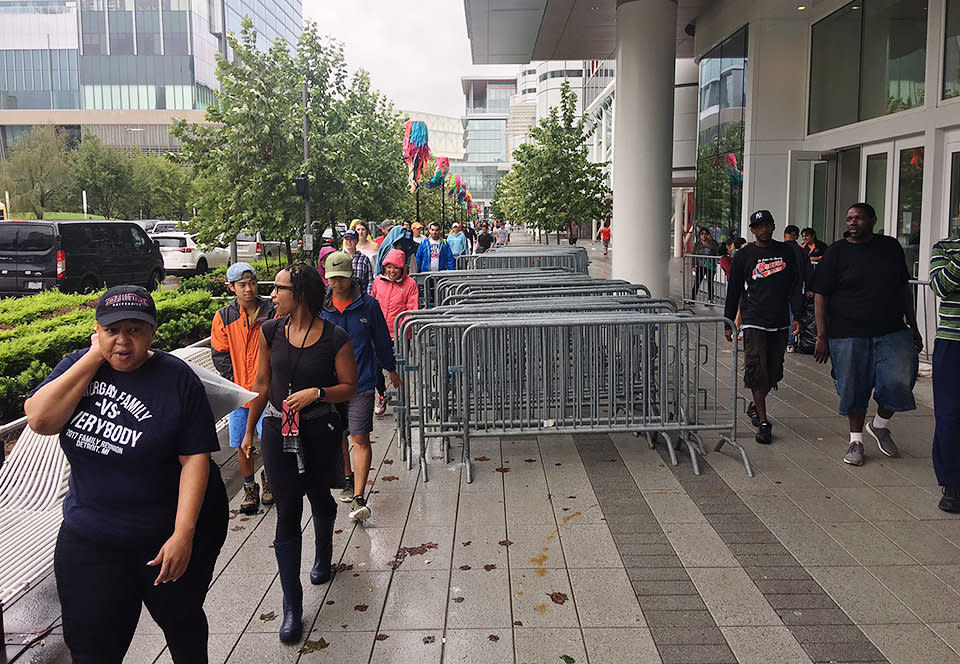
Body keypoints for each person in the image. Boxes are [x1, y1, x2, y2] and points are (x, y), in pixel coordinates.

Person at [24, 285, 229, 663]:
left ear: (152, 333)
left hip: (161, 536)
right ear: (96, 331)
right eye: (112, 330)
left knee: (183, 626)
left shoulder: (176, 379)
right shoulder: (77, 366)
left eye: (134, 330)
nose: (122, 341)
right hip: (90, 537)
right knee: (91, 648)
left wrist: (183, 535)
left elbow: (195, 458)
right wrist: (92, 358)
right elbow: (40, 419)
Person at [243, 263, 358, 643]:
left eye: (279, 289)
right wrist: (250, 429)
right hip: (279, 431)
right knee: (287, 510)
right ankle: (292, 605)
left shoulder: (334, 337)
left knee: (320, 496)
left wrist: (318, 393)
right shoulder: (270, 330)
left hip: (319, 429)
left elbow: (349, 386)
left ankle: (323, 552)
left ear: (302, 294)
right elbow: (262, 382)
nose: (271, 296)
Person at [812, 203, 923, 466]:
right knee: (853, 386)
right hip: (847, 333)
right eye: (849, 218)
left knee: (900, 381)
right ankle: (856, 441)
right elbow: (820, 295)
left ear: (873, 220)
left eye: (859, 218)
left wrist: (915, 326)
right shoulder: (837, 252)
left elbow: (903, 288)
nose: (852, 222)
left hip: (892, 330)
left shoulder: (890, 247)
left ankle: (880, 425)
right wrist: (822, 335)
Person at [321, 252, 400, 521]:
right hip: (330, 384)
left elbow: (380, 340)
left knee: (360, 436)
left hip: (362, 381)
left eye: (341, 278)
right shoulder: (321, 307)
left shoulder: (368, 306)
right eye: (332, 278)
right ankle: (346, 476)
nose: (337, 283)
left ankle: (358, 496)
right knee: (339, 435)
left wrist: (391, 370)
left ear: (350, 277)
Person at [724, 210, 802, 444]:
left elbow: (795, 284)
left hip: (779, 320)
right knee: (757, 370)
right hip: (753, 319)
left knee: (775, 371)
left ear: (774, 226)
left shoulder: (787, 251)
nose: (764, 230)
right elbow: (734, 289)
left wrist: (797, 314)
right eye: (759, 226)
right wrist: (729, 322)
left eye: (768, 225)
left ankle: (754, 405)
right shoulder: (744, 255)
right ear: (752, 230)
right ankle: (764, 422)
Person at [211, 262, 275, 515]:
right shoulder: (224, 317)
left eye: (252, 283)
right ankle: (249, 487)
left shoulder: (272, 311)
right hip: (239, 393)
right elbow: (219, 353)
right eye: (241, 285)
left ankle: (269, 480)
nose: (248, 289)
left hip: (268, 391)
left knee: (270, 440)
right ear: (231, 288)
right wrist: (233, 383)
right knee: (241, 443)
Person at [930, 235, 960, 511]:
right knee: (950, 412)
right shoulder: (945, 248)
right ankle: (952, 481)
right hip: (953, 341)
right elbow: (940, 286)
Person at [372, 248, 419, 414]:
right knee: (376, 367)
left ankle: (402, 402)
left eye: (396, 268)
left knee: (399, 369)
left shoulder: (410, 284)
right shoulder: (378, 281)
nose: (392, 271)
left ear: (402, 269)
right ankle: (383, 395)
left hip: (398, 335)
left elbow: (412, 309)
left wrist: (403, 329)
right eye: (389, 267)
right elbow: (373, 303)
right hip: (378, 333)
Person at [691, 226, 721, 302]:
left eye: (705, 233)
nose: (703, 235)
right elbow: (694, 255)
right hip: (700, 266)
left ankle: (710, 299)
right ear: (699, 235)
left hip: (710, 266)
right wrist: (693, 265)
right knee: (697, 282)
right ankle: (692, 299)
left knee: (710, 283)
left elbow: (717, 250)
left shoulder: (712, 243)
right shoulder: (697, 244)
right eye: (702, 234)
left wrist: (711, 240)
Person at [341, 229, 373, 294]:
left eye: (351, 239)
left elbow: (370, 280)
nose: (349, 242)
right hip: (344, 296)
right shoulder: (339, 257)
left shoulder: (364, 259)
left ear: (357, 241)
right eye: (347, 239)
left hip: (361, 296)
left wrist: (368, 295)